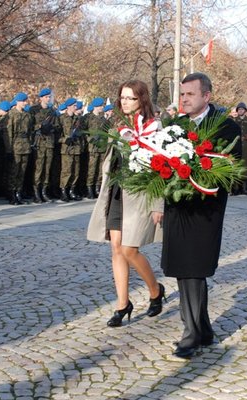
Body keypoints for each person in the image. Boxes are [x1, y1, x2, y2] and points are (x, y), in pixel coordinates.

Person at [161, 72, 242, 359]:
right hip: (176, 206)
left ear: (206, 96)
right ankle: (203, 329)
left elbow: (232, 171)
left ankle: (191, 334)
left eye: (190, 94)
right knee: (182, 268)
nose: (184, 99)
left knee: (194, 268)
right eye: (182, 94)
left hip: (204, 209)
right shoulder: (174, 125)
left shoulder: (224, 127)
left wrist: (199, 176)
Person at [87, 80, 165, 328]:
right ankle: (123, 304)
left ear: (142, 99)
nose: (125, 102)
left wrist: (158, 204)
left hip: (142, 194)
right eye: (122, 97)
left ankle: (155, 290)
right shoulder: (118, 126)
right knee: (117, 249)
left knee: (131, 249)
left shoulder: (155, 127)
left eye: (130, 98)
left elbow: (161, 168)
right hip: (117, 192)